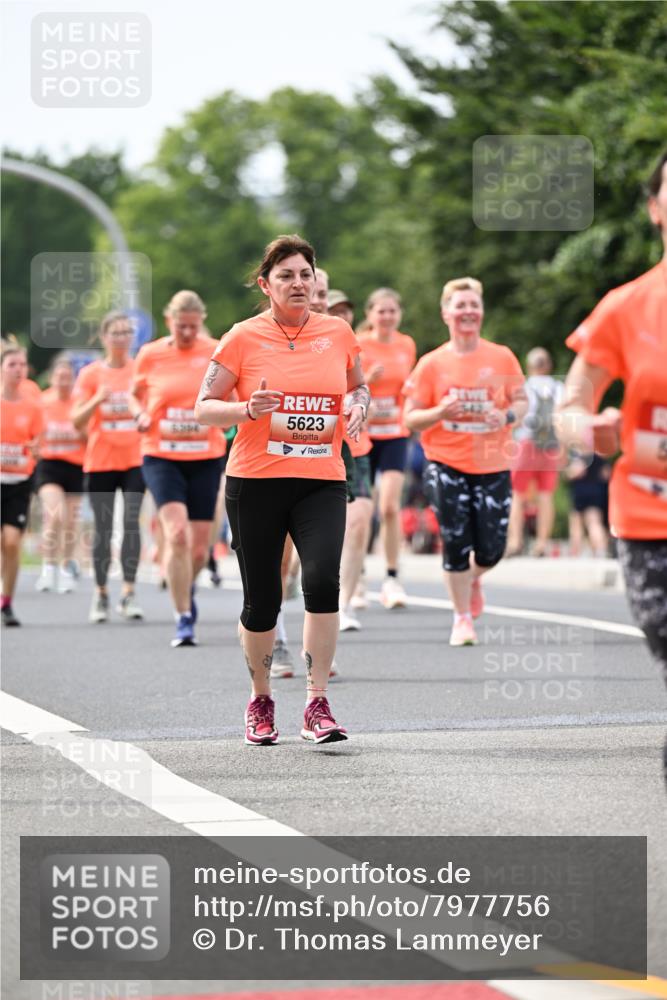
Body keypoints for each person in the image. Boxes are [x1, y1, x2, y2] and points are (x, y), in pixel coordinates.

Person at [195, 234, 369, 745]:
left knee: (322, 581)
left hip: (321, 479)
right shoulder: (241, 337)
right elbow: (204, 406)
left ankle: (317, 702)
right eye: (286, 276)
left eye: (305, 275)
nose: (298, 283)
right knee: (263, 599)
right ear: (265, 284)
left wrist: (359, 405)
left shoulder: (337, 332)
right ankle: (261, 698)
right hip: (256, 482)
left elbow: (358, 385)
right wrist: (245, 409)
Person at [558, 149, 667, 703]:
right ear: (655, 208)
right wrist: (588, 429)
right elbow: (571, 404)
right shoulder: (626, 308)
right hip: (654, 520)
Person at [404, 277, 527, 646]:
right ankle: (461, 619)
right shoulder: (431, 364)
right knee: (455, 539)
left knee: (492, 549)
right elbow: (410, 418)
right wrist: (440, 412)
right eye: (460, 306)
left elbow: (522, 401)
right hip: (445, 462)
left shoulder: (501, 356)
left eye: (474, 305)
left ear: (482, 311)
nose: (468, 311)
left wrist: (505, 416)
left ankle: (472, 578)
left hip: (492, 462)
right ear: (446, 313)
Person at [131, 291, 225, 647]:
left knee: (199, 550)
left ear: (202, 321)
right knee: (177, 534)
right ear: (169, 320)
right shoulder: (151, 354)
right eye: (180, 326)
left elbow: (231, 394)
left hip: (205, 456)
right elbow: (133, 394)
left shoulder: (216, 350)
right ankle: (183, 617)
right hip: (162, 455)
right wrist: (140, 413)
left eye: (193, 326)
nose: (186, 333)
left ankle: (185, 584)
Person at [71, 311, 145, 623]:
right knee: (103, 527)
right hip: (100, 460)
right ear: (104, 337)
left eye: (127, 332)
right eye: (115, 333)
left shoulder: (140, 370)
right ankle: (101, 593)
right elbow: (76, 421)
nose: (122, 338)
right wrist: (97, 400)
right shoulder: (90, 374)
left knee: (131, 522)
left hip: (136, 459)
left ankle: (128, 592)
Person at [359, 288, 417, 609]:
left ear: (400, 314)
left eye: (392, 310)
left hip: (395, 432)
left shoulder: (406, 345)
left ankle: (392, 577)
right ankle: (357, 575)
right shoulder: (358, 344)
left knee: (390, 506)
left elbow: (409, 388)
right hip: (363, 434)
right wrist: (367, 380)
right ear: (369, 315)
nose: (387, 316)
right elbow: (347, 387)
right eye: (381, 311)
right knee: (362, 508)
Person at [329, 291, 375, 631]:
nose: (342, 316)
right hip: (312, 451)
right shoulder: (303, 343)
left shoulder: (358, 347)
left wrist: (361, 401)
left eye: (346, 311)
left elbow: (361, 387)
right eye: (335, 310)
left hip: (355, 448)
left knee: (358, 523)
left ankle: (343, 605)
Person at [34, 356, 86, 593]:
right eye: (59, 377)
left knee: (70, 521)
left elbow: (90, 435)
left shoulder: (80, 403)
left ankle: (65, 569)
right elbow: (32, 432)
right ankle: (48, 567)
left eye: (68, 377)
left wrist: (80, 429)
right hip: (50, 465)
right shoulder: (42, 402)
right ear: (51, 378)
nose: (64, 382)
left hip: (75, 466)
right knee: (55, 514)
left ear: (73, 379)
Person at [506, 347, 564, 556]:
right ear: (549, 366)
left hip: (526, 442)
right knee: (545, 495)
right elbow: (562, 420)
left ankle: (515, 541)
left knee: (517, 494)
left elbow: (517, 419)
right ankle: (541, 544)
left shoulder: (525, 387)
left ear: (529, 366)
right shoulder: (559, 388)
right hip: (551, 445)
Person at [1, 343, 43, 626]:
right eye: (12, 365)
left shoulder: (32, 407)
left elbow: (39, 444)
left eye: (22, 365)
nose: (18, 370)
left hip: (19, 482)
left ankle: (6, 602)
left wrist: (36, 450)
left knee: (12, 542)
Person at [565, 452, 610, 557]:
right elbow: (606, 475)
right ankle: (600, 549)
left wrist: (568, 474)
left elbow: (576, 472)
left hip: (581, 492)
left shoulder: (579, 456)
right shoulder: (600, 457)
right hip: (597, 492)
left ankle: (575, 552)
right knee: (595, 522)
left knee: (576, 523)